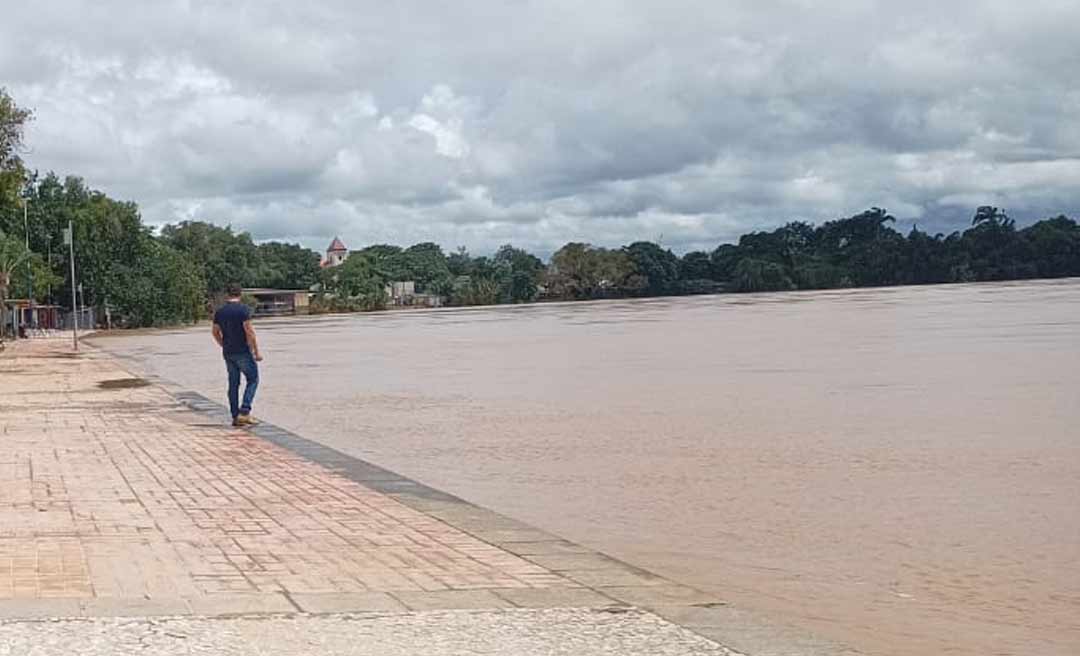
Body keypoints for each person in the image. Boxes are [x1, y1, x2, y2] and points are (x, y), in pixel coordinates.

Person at [211, 284, 263, 427]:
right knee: (253, 379)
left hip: (228, 352)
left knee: (233, 384)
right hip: (243, 351)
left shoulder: (220, 312)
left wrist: (223, 344)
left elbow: (215, 332)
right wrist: (256, 352)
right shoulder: (243, 310)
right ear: (240, 294)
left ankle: (235, 416)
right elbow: (250, 332)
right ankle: (245, 412)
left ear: (227, 294)